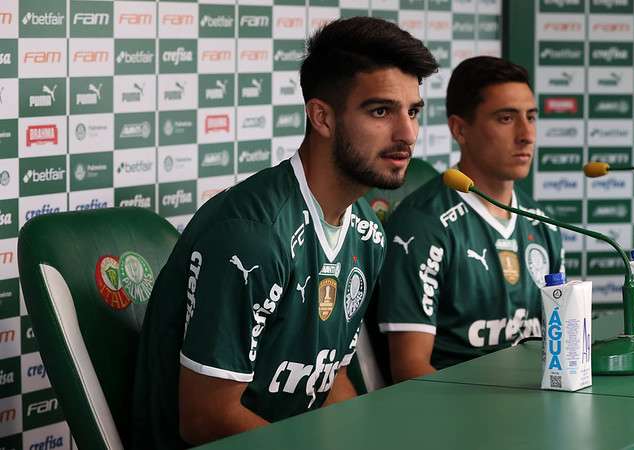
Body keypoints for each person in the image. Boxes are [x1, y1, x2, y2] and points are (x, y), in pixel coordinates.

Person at [131, 17, 437, 448]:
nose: (407, 133)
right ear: (322, 117)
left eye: (413, 112)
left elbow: (328, 383)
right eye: (381, 111)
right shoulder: (251, 237)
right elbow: (206, 420)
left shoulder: (367, 232)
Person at [376, 56, 564, 383]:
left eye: (531, 117)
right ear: (460, 129)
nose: (526, 135)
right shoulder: (423, 224)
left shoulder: (542, 225)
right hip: (454, 416)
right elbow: (409, 370)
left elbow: (558, 343)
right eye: (506, 118)